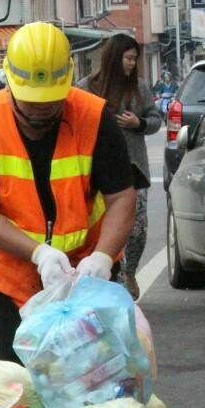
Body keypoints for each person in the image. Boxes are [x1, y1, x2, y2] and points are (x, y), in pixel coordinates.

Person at [0, 22, 137, 363]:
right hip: (7, 278)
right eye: (30, 104)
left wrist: (102, 257)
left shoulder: (94, 117)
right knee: (15, 390)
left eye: (50, 104)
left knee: (89, 384)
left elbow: (122, 197)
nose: (39, 113)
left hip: (82, 278)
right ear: (10, 82)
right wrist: (39, 254)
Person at [77, 33, 162, 301]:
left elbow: (156, 119)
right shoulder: (87, 87)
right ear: (114, 58)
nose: (132, 63)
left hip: (134, 166)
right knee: (101, 228)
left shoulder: (140, 87)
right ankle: (106, 277)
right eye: (128, 58)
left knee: (137, 228)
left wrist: (139, 123)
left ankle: (130, 271)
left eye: (135, 59)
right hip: (96, 170)